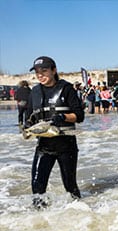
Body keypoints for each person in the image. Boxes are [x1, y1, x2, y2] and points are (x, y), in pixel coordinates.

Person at [25, 56, 84, 209]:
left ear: (54, 70)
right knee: (37, 188)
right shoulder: (35, 92)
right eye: (37, 72)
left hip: (66, 147)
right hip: (44, 147)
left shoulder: (67, 89)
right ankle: (41, 221)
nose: (40, 75)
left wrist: (63, 117)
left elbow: (80, 116)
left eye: (44, 71)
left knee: (70, 187)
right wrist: (27, 127)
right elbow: (29, 117)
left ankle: (79, 215)